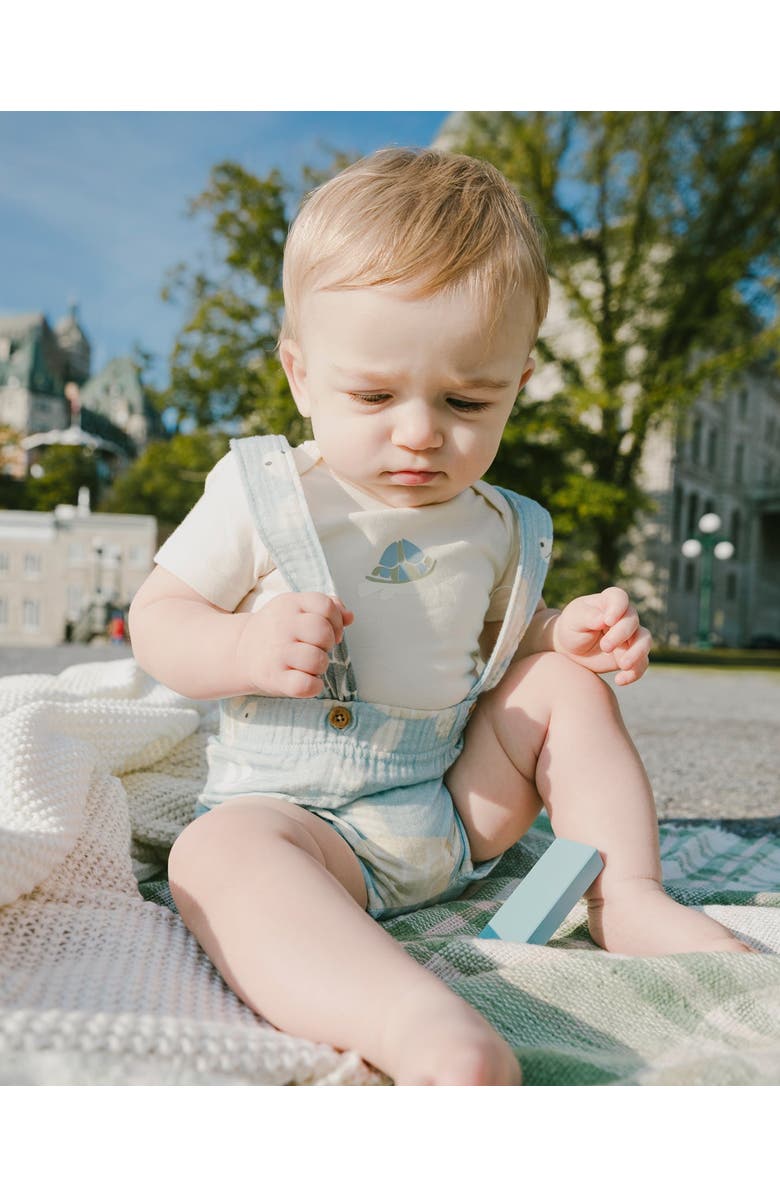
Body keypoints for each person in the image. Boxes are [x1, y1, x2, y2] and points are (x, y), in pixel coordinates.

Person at [129, 148, 750, 1086]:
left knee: (561, 688)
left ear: (519, 381)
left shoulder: (498, 523)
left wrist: (564, 636)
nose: (421, 432)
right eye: (374, 396)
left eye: (468, 400)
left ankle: (623, 891)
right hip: (306, 821)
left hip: (457, 811)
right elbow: (159, 616)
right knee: (220, 855)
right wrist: (241, 645)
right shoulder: (265, 493)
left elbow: (512, 638)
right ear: (300, 374)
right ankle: (414, 1023)